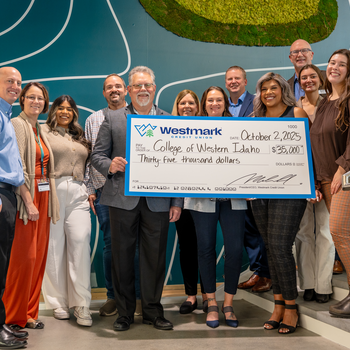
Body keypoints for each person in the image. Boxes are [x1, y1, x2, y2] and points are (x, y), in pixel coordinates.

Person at [91, 66, 182, 331]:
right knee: (121, 257)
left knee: (155, 258)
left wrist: (177, 201)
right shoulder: (113, 117)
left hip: (158, 200)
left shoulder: (169, 120)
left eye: (148, 85)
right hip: (121, 199)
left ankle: (153, 311)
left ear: (155, 88)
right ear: (129, 90)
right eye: (138, 86)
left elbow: (177, 165)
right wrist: (110, 164)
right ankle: (124, 313)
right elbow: (97, 155)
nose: (143, 90)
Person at [185, 86, 247, 328]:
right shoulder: (191, 129)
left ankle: (228, 303)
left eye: (218, 100)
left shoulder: (240, 127)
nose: (214, 104)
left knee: (234, 250)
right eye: (210, 100)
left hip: (234, 200)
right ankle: (211, 302)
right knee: (205, 249)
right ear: (204, 103)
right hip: (202, 201)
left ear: (226, 103)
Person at [251, 72, 308, 334]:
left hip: (290, 190)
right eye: (264, 89)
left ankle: (291, 306)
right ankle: (277, 304)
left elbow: (309, 150)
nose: (268, 93)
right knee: (270, 247)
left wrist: (313, 184)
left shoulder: (296, 113)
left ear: (282, 89)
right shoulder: (254, 120)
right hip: (260, 191)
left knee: (280, 246)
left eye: (273, 88)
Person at [3, 82, 59, 330]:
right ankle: (12, 316)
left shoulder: (42, 129)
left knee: (38, 260)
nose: (36, 102)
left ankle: (29, 312)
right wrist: (28, 199)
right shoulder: (17, 124)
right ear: (22, 99)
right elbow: (19, 168)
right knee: (23, 260)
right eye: (31, 97)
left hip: (45, 194)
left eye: (41, 98)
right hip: (28, 196)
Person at [41, 95, 92, 326]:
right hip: (53, 190)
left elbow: (89, 165)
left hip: (79, 191)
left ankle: (81, 304)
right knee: (54, 248)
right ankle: (58, 302)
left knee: (80, 244)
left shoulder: (80, 135)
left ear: (74, 113)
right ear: (53, 110)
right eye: (60, 108)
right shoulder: (43, 131)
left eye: (69, 109)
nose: (64, 112)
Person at [310, 49, 350, 317]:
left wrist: (341, 168)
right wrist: (313, 180)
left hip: (344, 178)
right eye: (332, 62)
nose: (335, 67)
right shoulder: (325, 102)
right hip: (324, 179)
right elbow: (315, 142)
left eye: (342, 64)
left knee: (339, 232)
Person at [225, 66, 272, 293]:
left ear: (245, 81)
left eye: (237, 78)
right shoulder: (221, 105)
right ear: (226, 83)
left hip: (256, 174)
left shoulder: (258, 102)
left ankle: (266, 273)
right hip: (232, 177)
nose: (233, 82)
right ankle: (258, 270)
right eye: (229, 79)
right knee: (247, 228)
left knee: (262, 226)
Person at [85, 74, 126, 317]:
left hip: (136, 194)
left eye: (118, 86)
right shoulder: (94, 119)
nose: (114, 90)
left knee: (136, 246)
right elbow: (90, 157)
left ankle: (138, 297)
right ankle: (112, 297)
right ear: (103, 92)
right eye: (109, 87)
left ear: (126, 90)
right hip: (104, 193)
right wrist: (91, 190)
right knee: (111, 245)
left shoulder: (137, 116)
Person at [295, 64, 334, 303]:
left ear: (320, 80)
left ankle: (323, 284)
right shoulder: (295, 108)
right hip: (301, 179)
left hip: (327, 176)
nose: (308, 80)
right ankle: (307, 284)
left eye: (312, 77)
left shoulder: (331, 104)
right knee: (303, 232)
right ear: (299, 82)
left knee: (326, 232)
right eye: (303, 77)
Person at [0, 67, 28, 349]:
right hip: (0, 194)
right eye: (9, 81)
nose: (15, 86)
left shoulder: (5, 115)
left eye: (18, 82)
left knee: (2, 265)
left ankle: (1, 322)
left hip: (8, 194)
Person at [171, 90, 206, 313]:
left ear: (197, 106)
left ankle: (208, 295)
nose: (187, 106)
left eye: (191, 102)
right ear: (177, 106)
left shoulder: (207, 127)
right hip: (180, 200)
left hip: (205, 199)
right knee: (187, 247)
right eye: (182, 102)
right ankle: (191, 295)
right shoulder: (170, 130)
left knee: (205, 246)